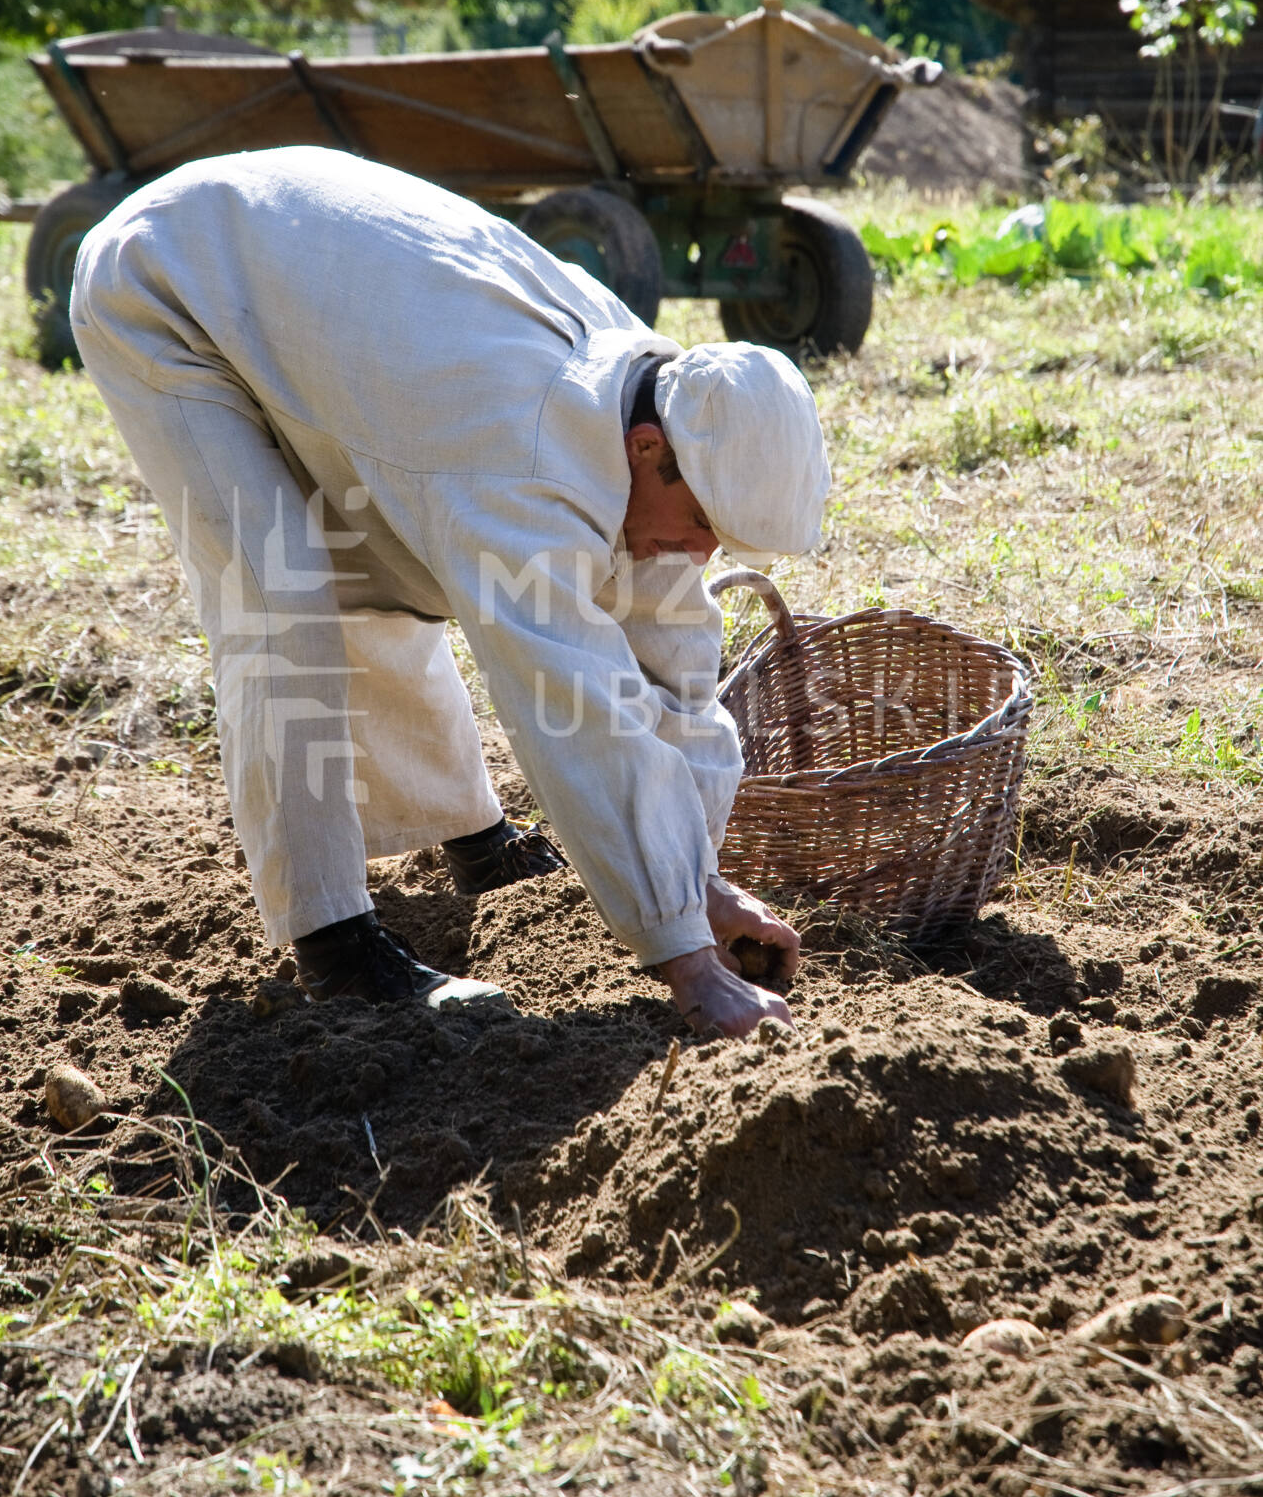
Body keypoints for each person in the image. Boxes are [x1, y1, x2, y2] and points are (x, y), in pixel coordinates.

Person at [70, 146, 831, 1038]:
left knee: (388, 570)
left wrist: (695, 881)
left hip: (310, 292)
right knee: (285, 594)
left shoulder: (661, 399)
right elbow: (571, 704)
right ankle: (336, 946)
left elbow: (671, 660)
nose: (698, 551)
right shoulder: (524, 453)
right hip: (169, 279)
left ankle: (473, 839)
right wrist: (688, 964)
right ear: (646, 451)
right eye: (701, 521)